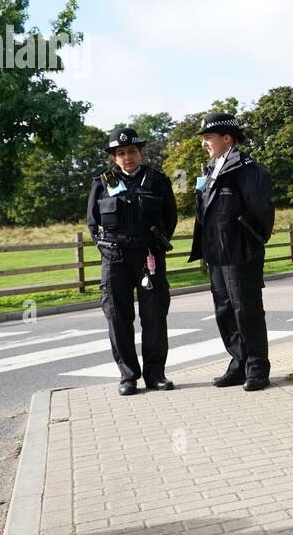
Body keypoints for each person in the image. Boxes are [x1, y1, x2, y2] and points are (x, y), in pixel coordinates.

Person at [86, 127, 178, 397]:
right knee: (117, 317)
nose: (128, 157)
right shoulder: (102, 183)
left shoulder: (158, 180)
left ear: (141, 153)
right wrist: (107, 249)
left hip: (149, 257)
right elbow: (93, 223)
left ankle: (155, 374)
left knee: (154, 317)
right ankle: (128, 376)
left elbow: (169, 218)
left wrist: (155, 245)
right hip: (115, 259)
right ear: (114, 157)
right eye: (121, 153)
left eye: (132, 152)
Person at [188, 113, 275, 392]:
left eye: (208, 138)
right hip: (216, 252)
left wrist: (253, 241)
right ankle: (238, 363)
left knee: (246, 309)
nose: (205, 144)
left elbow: (262, 210)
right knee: (224, 310)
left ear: (227, 138)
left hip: (240, 250)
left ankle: (257, 367)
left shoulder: (247, 168)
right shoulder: (211, 168)